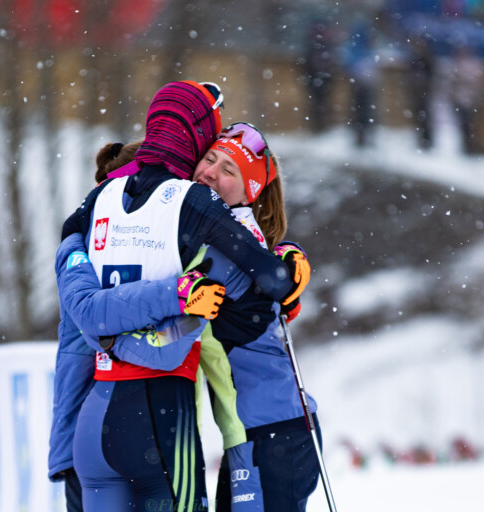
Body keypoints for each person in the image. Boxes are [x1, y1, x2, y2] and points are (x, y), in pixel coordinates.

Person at [49, 81, 311, 512]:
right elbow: (96, 325)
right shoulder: (158, 224)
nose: (211, 173)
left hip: (262, 434)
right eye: (208, 159)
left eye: (229, 170)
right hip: (173, 421)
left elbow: (263, 295)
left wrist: (281, 269)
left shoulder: (113, 219)